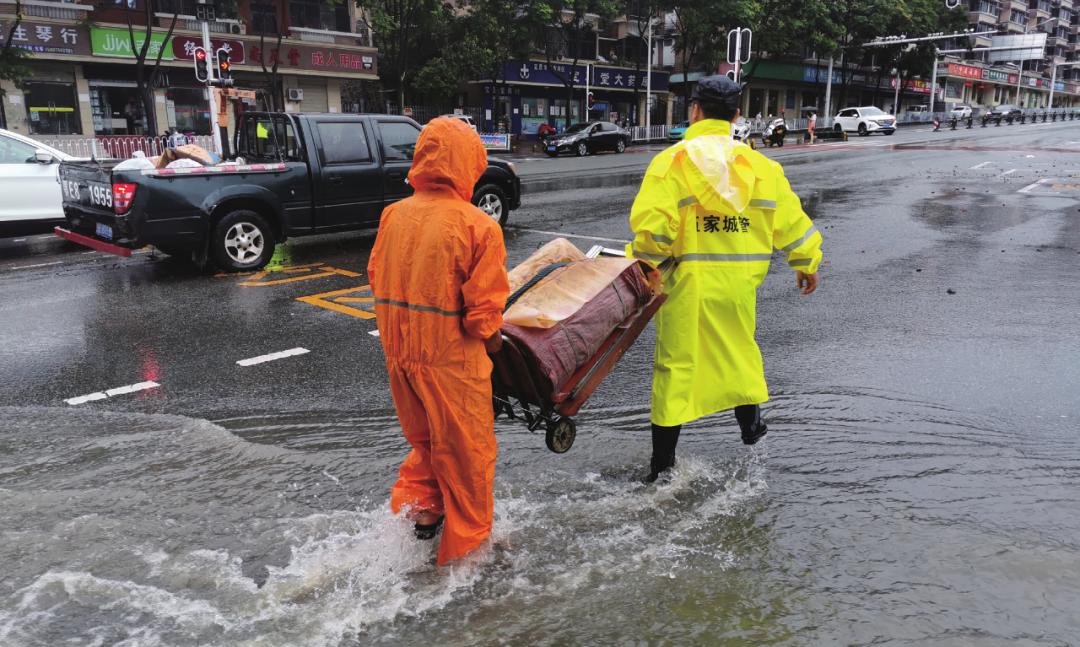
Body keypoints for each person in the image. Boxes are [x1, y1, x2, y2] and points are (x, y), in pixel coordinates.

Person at [626, 75, 824, 483]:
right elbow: (792, 223)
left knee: (676, 369)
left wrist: (640, 267)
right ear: (736, 115)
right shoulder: (761, 167)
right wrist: (806, 261)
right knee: (739, 351)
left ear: (694, 111)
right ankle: (751, 430)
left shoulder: (672, 163)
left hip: (686, 287)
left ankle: (662, 467)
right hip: (738, 286)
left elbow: (653, 235)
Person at [368, 118, 510, 564]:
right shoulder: (477, 227)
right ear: (469, 163)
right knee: (468, 460)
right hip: (451, 363)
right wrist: (494, 353)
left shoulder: (393, 215)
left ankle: (422, 520)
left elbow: (375, 277)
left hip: (400, 357)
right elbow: (483, 317)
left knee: (426, 445)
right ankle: (467, 561)